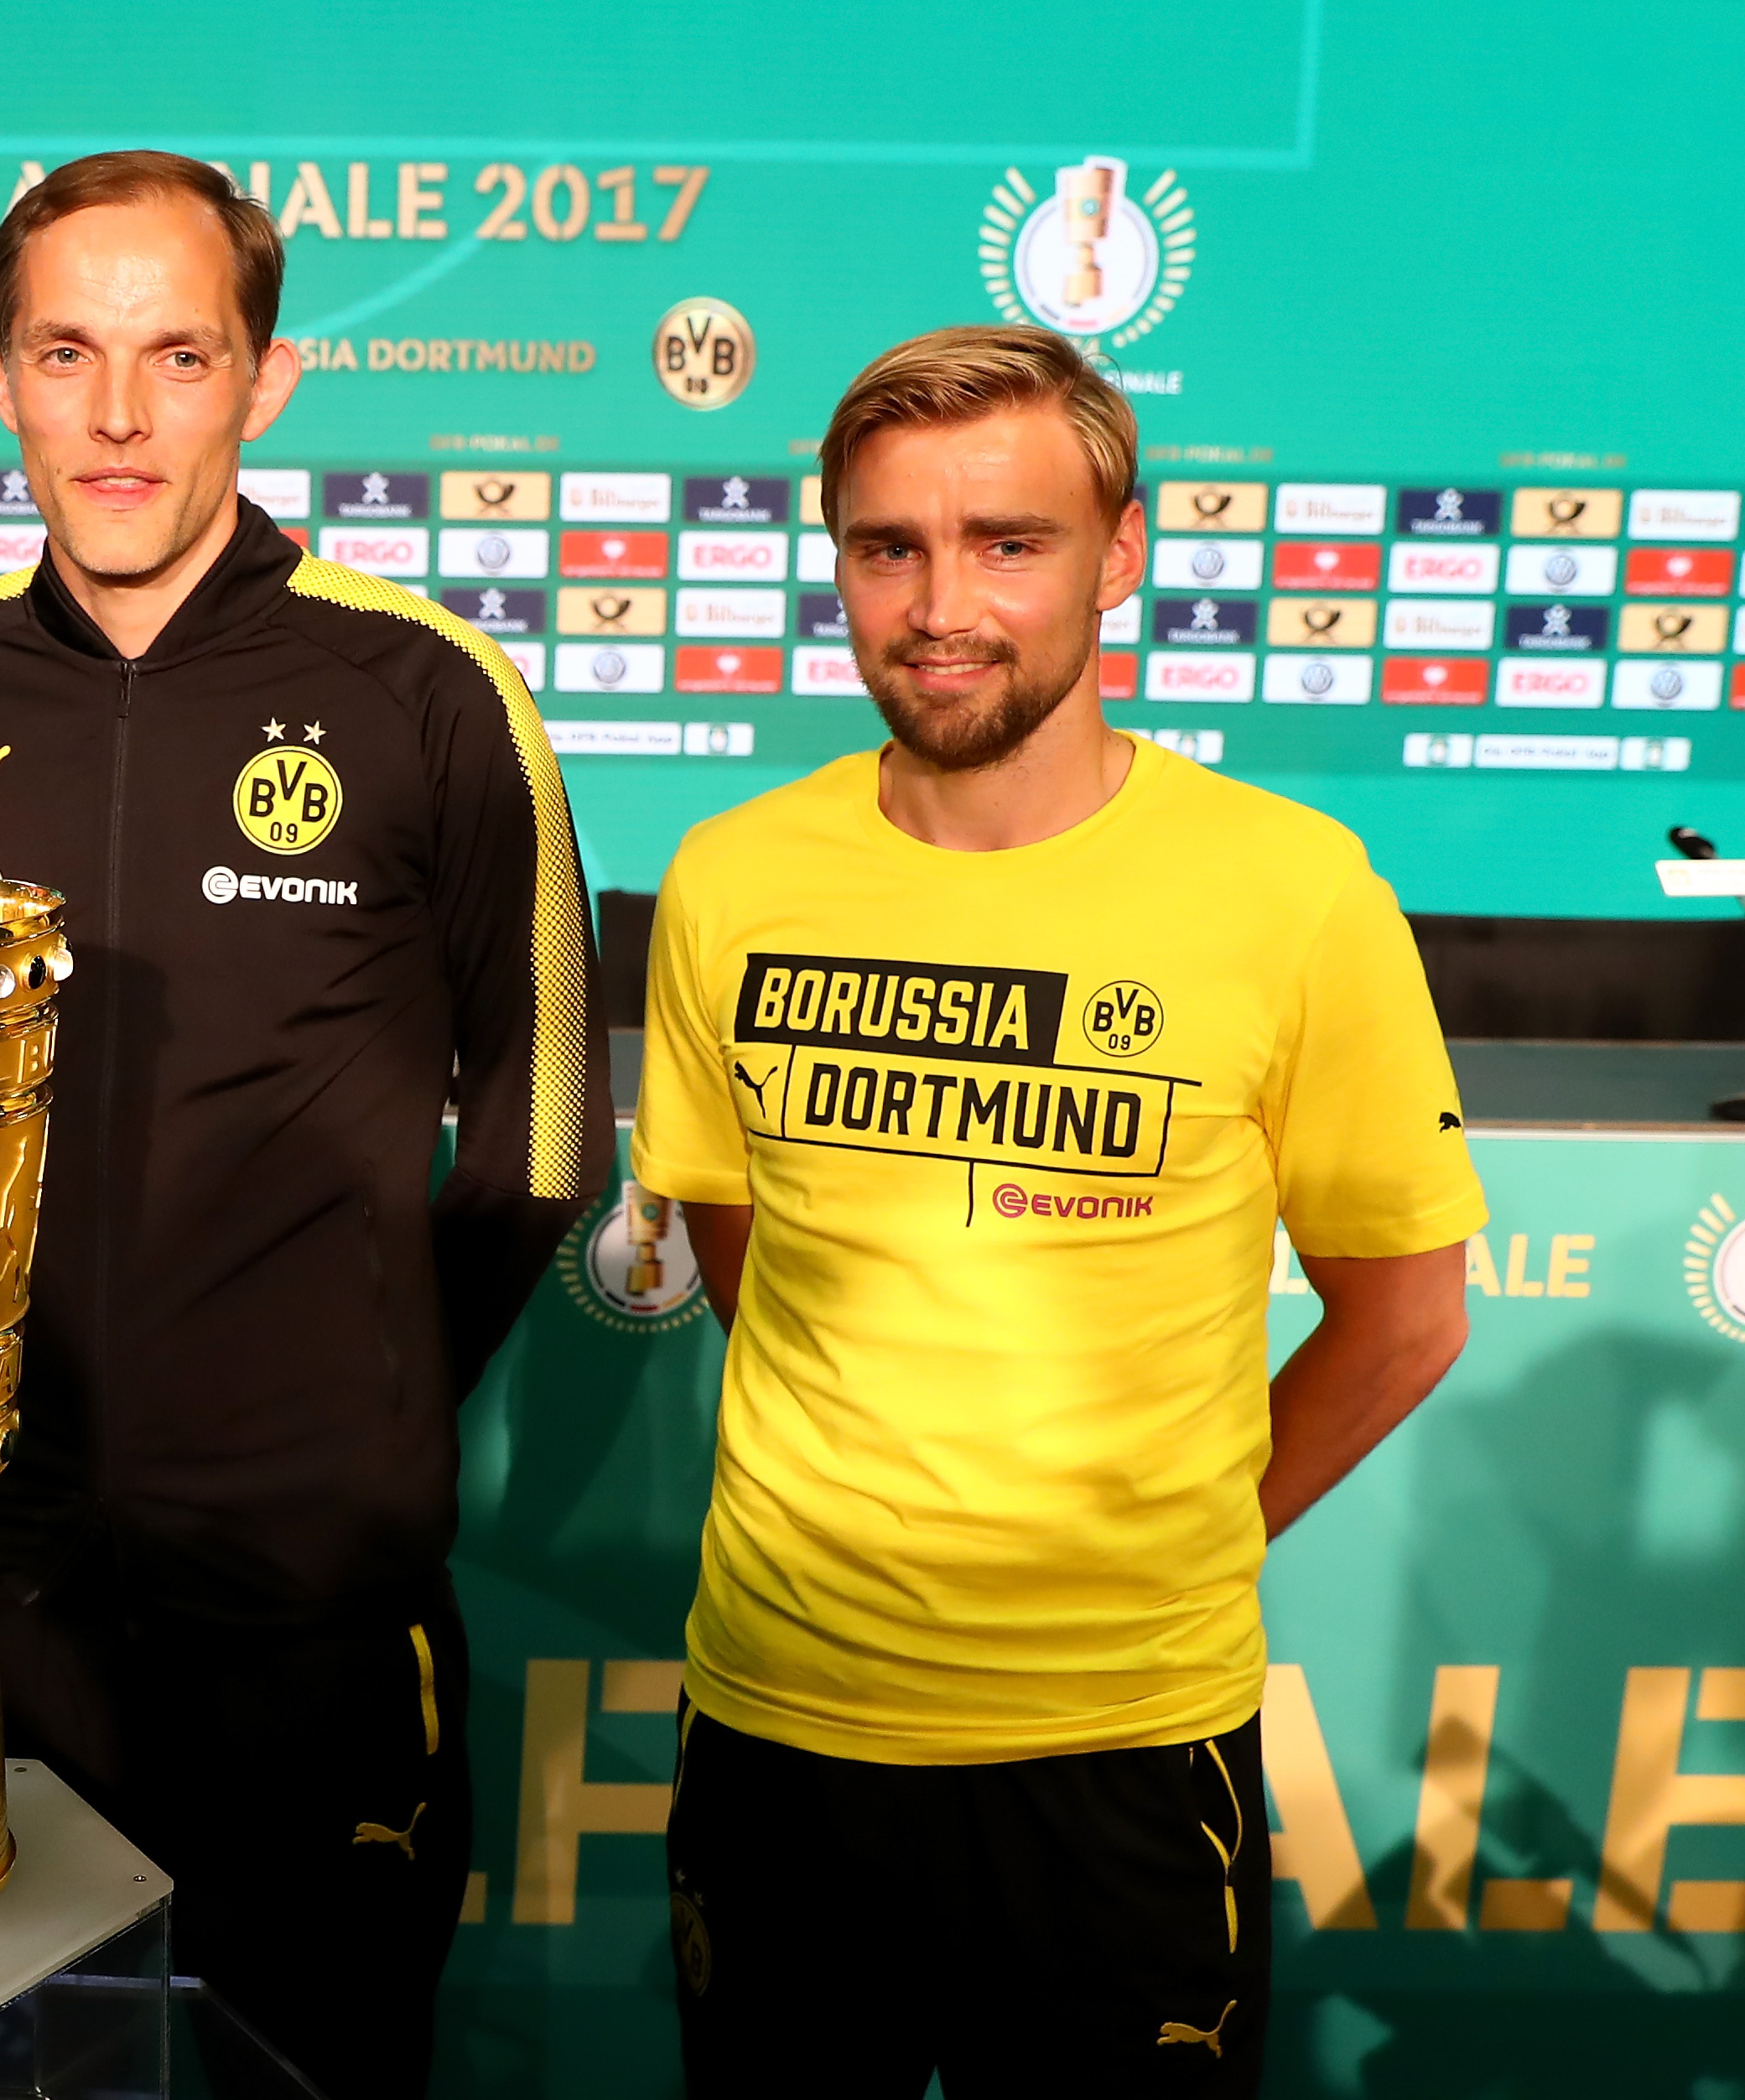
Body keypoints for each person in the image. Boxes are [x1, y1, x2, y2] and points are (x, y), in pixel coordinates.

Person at [0, 151, 608, 2098]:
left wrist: (354, 1383)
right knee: (12, 2077)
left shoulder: (428, 689)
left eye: (177, 355)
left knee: (314, 2070)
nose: (115, 414)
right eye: (64, 352)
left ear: (264, 380)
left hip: (312, 1607)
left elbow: (536, 1143)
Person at [634, 325, 1484, 2094]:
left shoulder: (1291, 891)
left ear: (1119, 555)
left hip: (1123, 1756)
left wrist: (1160, 1542)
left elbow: (1403, 1315)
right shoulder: (729, 879)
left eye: (1005, 542)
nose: (940, 604)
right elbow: (754, 1269)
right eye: (889, 547)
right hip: (784, 1740)